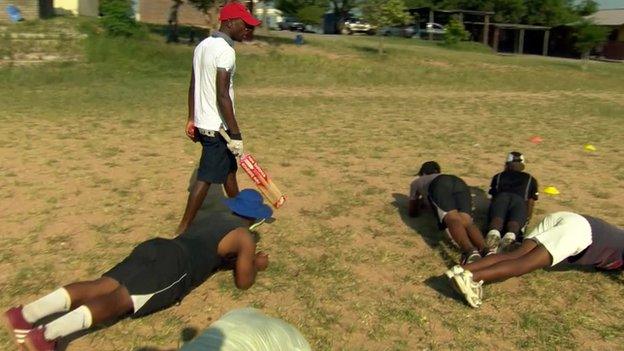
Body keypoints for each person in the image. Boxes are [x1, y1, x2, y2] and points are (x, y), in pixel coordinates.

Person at [3, 189, 272, 351]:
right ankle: (46, 336)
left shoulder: (214, 217)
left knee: (101, 285)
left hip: (158, 247)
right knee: (122, 300)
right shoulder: (244, 236)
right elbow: (244, 282)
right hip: (175, 267)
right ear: (254, 218)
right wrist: (256, 263)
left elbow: (209, 249)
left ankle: (25, 314)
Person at [176, 2, 261, 235]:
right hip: (218, 129)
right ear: (230, 22)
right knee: (205, 178)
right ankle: (183, 229)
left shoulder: (202, 46)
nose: (248, 31)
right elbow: (223, 95)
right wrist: (236, 134)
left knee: (228, 172)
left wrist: (191, 118)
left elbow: (193, 84)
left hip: (204, 124)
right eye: (246, 25)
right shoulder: (226, 52)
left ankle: (244, 217)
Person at [445, 211, 624, 308]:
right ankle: (471, 278)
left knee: (515, 255)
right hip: (580, 231)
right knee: (524, 264)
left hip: (570, 218)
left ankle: (464, 269)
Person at [409, 161, 489, 265]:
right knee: (467, 220)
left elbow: (412, 210)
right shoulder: (442, 175)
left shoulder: (417, 181)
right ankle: (485, 250)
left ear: (423, 173)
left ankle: (469, 251)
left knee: (452, 218)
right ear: (437, 171)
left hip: (439, 185)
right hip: (459, 182)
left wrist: (419, 205)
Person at [485, 152, 539, 252]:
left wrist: (491, 215)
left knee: (496, 221)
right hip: (519, 201)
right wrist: (526, 218)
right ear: (523, 165)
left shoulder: (498, 176)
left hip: (501, 198)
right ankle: (510, 236)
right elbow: (530, 202)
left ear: (507, 164)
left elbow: (493, 198)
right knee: (514, 225)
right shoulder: (531, 179)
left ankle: (494, 233)